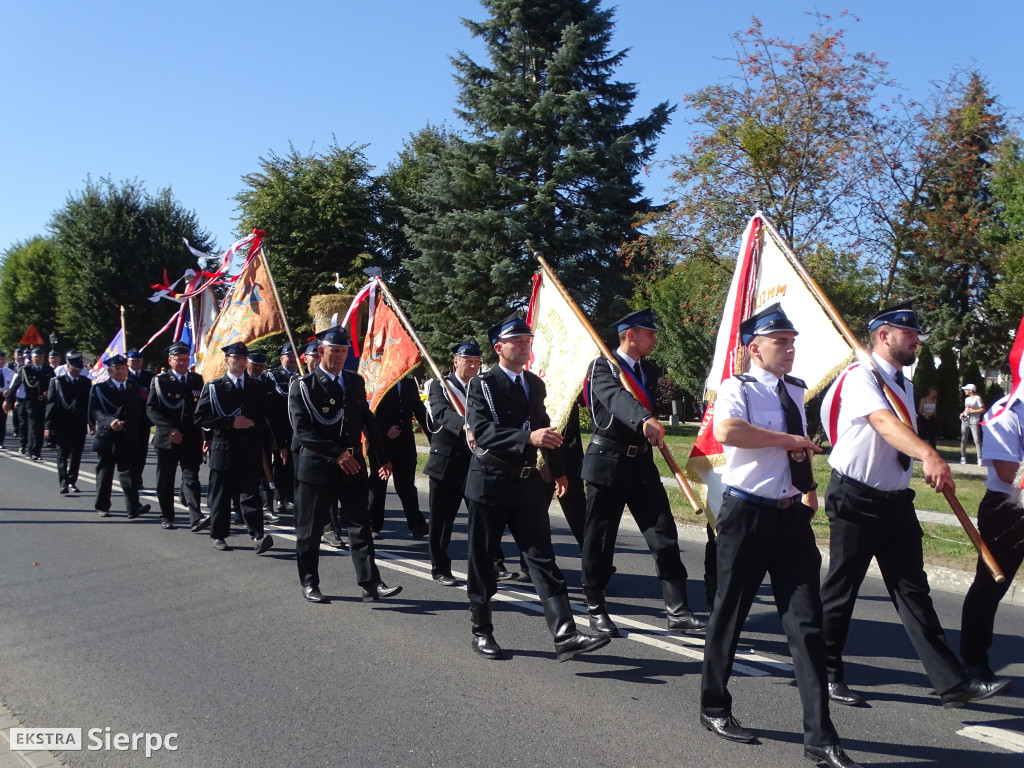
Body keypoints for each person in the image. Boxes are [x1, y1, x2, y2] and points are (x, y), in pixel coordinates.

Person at [818, 301, 1009, 709]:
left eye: (917, 333)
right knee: (841, 590)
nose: (917, 340)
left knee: (913, 591)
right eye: (909, 333)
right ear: (884, 336)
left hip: (896, 502)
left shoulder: (901, 383)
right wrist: (930, 456)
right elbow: (884, 424)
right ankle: (826, 672)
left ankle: (953, 682)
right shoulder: (860, 378)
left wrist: (920, 459)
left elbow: (900, 430)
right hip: (856, 497)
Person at [698, 303, 860, 768]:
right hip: (746, 516)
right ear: (755, 348)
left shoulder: (797, 388)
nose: (789, 349)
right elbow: (727, 431)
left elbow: (800, 444)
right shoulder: (738, 387)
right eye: (780, 342)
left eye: (792, 342)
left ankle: (820, 736)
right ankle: (713, 706)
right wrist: (786, 441)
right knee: (729, 613)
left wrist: (807, 487)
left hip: (790, 521)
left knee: (806, 626)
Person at [464, 311, 608, 662]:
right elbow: (482, 432)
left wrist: (558, 470)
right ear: (500, 348)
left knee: (542, 558)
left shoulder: (534, 384)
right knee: (482, 560)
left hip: (526, 484)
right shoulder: (482, 384)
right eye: (517, 341)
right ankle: (482, 631)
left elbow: (545, 428)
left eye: (528, 340)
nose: (525, 345)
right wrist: (526, 437)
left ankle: (565, 633)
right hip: (491, 482)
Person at [579, 309, 706, 638]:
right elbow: (616, 399)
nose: (655, 338)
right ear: (630, 335)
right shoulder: (603, 367)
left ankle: (678, 611)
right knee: (601, 540)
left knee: (663, 534)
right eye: (649, 333)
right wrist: (644, 419)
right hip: (608, 462)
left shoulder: (647, 370)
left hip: (641, 464)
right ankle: (595, 607)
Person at [288, 325, 401, 604]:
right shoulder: (303, 387)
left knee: (359, 526)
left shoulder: (354, 381)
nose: (339, 357)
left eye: (343, 352)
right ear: (321, 351)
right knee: (310, 530)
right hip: (318, 467)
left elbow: (367, 420)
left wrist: (382, 457)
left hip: (353, 466)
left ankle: (371, 583)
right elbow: (302, 432)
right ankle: (310, 582)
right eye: (334, 351)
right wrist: (336, 454)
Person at [959, 388, 1024, 682]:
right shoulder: (1005, 411)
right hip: (1007, 511)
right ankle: (974, 663)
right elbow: (1009, 470)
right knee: (989, 588)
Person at [194, 342, 274, 554]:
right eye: (236, 358)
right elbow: (200, 417)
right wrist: (230, 422)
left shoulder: (256, 386)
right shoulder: (214, 387)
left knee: (251, 495)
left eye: (243, 358)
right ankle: (218, 535)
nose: (240, 362)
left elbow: (266, 416)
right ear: (226, 360)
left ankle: (257, 535)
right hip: (224, 449)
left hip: (249, 449)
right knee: (221, 495)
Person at [423, 338, 481, 586]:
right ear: (456, 361)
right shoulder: (440, 386)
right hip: (447, 462)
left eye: (477, 362)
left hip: (476, 462)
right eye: (468, 361)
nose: (473, 367)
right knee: (442, 521)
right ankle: (440, 568)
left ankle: (493, 563)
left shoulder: (481, 386)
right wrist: (465, 426)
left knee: (483, 517)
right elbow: (440, 413)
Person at [147, 342, 208, 532]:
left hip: (190, 439)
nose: (183, 363)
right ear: (170, 361)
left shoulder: (197, 380)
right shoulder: (160, 381)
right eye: (178, 359)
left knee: (191, 478)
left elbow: (202, 411)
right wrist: (168, 429)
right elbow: (151, 409)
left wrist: (206, 435)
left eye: (185, 359)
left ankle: (196, 517)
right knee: (165, 480)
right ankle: (167, 516)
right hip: (167, 440)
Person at [89, 354, 150, 519]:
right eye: (117, 369)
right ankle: (102, 506)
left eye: (123, 368)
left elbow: (138, 411)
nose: (121, 372)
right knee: (105, 474)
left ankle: (133, 508)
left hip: (128, 437)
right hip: (107, 437)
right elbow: (95, 410)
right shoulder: (100, 388)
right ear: (110, 371)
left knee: (129, 474)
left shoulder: (133, 386)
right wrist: (110, 421)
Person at [369, 375, 429, 540]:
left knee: (407, 487)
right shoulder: (378, 381)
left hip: (405, 445)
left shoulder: (409, 382)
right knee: (377, 486)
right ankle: (373, 525)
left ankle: (417, 524)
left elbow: (419, 410)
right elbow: (368, 411)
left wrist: (433, 436)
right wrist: (385, 428)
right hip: (381, 445)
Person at [44, 351, 91, 494]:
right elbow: (51, 405)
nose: (78, 371)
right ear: (68, 366)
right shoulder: (57, 382)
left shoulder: (85, 382)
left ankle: (72, 480)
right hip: (62, 424)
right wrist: (48, 426)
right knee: (62, 454)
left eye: (80, 369)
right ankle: (63, 482)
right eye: (75, 368)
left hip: (79, 424)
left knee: (76, 455)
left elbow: (89, 405)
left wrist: (92, 423)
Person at [263, 342, 300, 518]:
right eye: (288, 356)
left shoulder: (301, 375)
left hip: (296, 428)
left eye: (294, 356)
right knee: (279, 463)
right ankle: (278, 497)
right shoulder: (272, 376)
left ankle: (290, 495)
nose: (292, 359)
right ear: (281, 358)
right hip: (278, 427)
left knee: (294, 464)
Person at [247, 349, 281, 524]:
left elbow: (273, 412)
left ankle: (268, 507)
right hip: (242, 435)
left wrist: (276, 437)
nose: (257, 369)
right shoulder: (240, 382)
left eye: (261, 366)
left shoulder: (268, 383)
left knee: (266, 472)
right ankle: (240, 507)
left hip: (263, 434)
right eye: (254, 365)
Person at [3, 347, 54, 460]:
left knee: (41, 427)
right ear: (32, 357)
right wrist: (8, 400)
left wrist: (49, 392)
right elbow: (15, 385)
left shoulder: (48, 370)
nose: (38, 359)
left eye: (40, 357)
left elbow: (54, 385)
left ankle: (38, 451)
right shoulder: (25, 370)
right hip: (31, 402)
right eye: (36, 357)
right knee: (33, 426)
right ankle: (33, 451)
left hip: (44, 402)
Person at [126, 349, 155, 487]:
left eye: (138, 361)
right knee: (130, 450)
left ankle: (137, 477)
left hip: (144, 419)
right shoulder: (123, 376)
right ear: (128, 362)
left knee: (142, 451)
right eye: (133, 361)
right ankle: (130, 477)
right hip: (129, 419)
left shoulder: (149, 376)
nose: (135, 363)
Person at [960, 383, 985, 465]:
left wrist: (972, 411)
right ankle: (963, 456)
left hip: (974, 421)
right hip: (965, 420)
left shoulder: (977, 398)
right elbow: (966, 409)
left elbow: (983, 409)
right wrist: (962, 414)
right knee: (963, 439)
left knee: (976, 439)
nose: (965, 391)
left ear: (971, 390)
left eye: (966, 390)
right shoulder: (966, 399)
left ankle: (979, 458)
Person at [0, 351, 14, 449]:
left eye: (3, 359)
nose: (1, 361)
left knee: (2, 420)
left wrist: (8, 392)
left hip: (4, 398)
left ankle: (1, 441)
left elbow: (13, 386)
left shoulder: (10, 372)